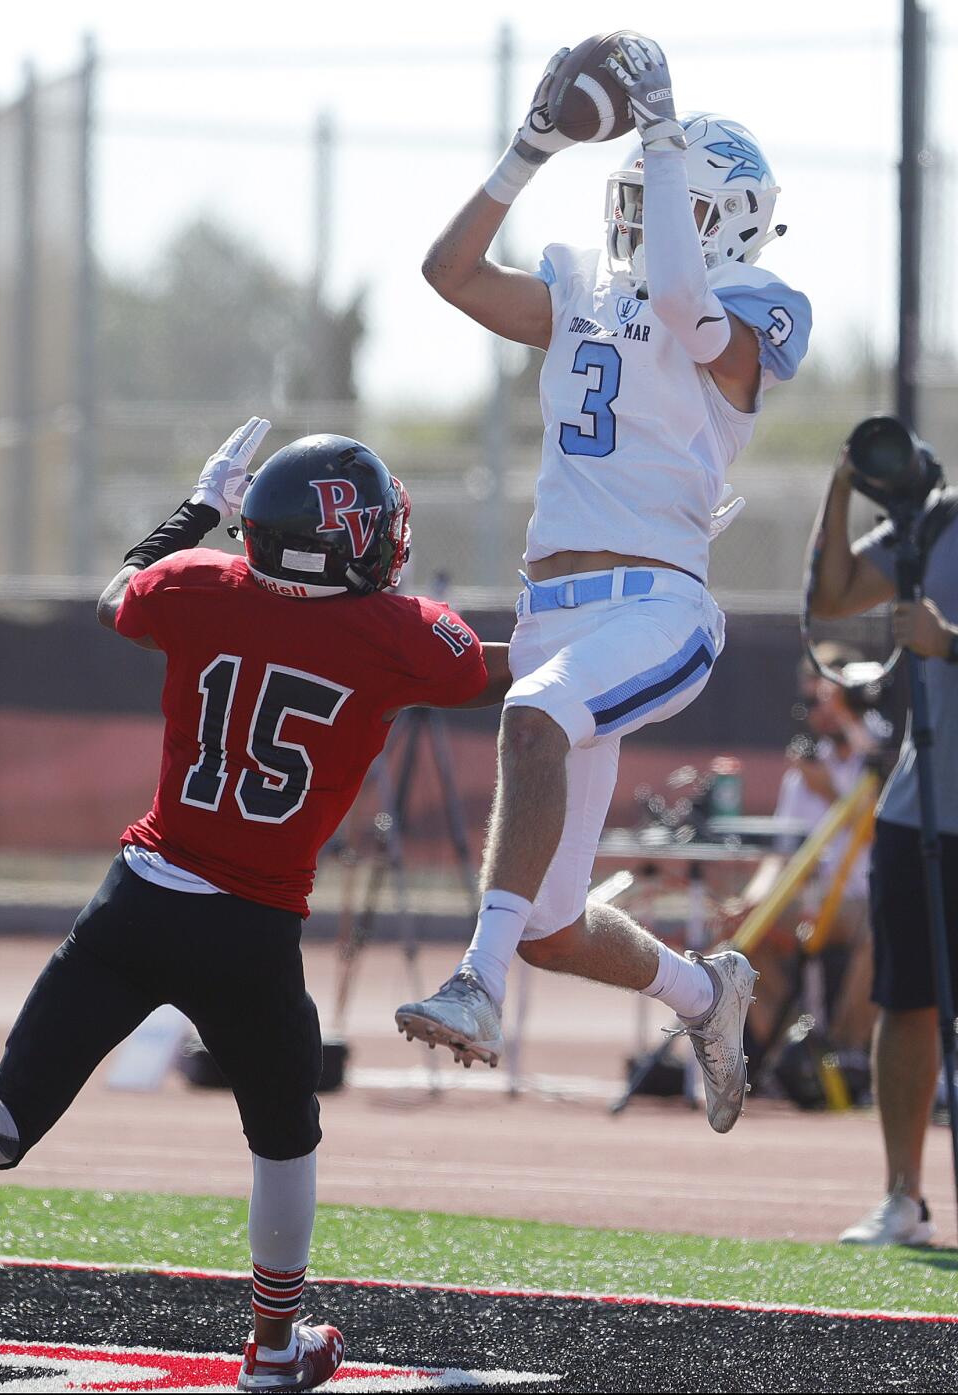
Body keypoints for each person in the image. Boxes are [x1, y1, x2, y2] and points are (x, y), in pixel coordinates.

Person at [0, 420, 510, 1392]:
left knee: (9, 1119)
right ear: (353, 539)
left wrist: (199, 509)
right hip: (249, 928)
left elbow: (118, 593)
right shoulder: (394, 636)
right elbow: (505, 675)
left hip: (135, 901)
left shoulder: (202, 587)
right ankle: (275, 1346)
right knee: (285, 1138)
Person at [395, 33, 811, 1135]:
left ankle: (477, 986)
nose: (637, 209)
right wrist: (528, 150)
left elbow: (684, 298)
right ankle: (705, 993)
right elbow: (447, 274)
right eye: (634, 186)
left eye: (661, 188)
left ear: (723, 211)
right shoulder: (582, 287)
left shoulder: (763, 303)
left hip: (658, 608)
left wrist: (667, 131)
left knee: (533, 720)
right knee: (553, 922)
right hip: (556, 618)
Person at [810, 446, 958, 1246]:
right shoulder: (935, 522)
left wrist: (951, 643)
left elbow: (939, 639)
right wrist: (840, 488)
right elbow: (832, 595)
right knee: (906, 1000)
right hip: (923, 804)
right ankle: (903, 1195)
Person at [729, 648, 879, 1057]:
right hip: (813, 900)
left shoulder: (878, 760)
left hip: (864, 902)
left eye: (828, 699)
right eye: (811, 702)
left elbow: (879, 833)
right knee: (739, 937)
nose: (820, 712)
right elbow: (781, 853)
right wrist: (754, 900)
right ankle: (792, 1055)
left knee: (884, 935)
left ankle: (847, 1056)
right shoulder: (803, 774)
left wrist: (829, 790)